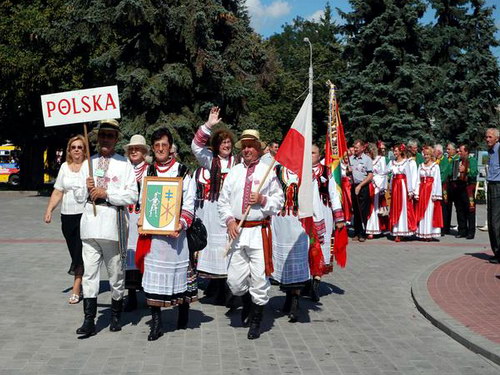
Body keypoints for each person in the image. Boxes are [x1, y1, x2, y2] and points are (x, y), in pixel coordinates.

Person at [218, 129, 284, 340]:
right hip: (237, 232)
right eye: (244, 146)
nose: (247, 149)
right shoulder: (234, 172)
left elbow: (279, 201)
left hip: (258, 230)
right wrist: (229, 220)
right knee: (236, 282)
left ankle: (256, 321)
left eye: (251, 146)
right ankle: (246, 301)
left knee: (259, 278)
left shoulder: (268, 171)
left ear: (257, 148)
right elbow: (223, 201)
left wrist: (263, 200)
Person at [75, 119, 138, 336]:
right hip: (90, 225)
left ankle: (115, 315)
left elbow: (132, 195)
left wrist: (107, 194)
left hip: (113, 224)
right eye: (103, 135)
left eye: (110, 136)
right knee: (89, 274)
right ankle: (89, 320)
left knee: (116, 274)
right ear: (97, 137)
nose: (106, 139)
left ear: (116, 139)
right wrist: (86, 188)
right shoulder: (88, 163)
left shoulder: (124, 164)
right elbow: (77, 196)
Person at [136, 127, 196, 341]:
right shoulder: (148, 172)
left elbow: (189, 203)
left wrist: (180, 223)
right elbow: (143, 201)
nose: (161, 149)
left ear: (171, 147)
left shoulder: (183, 171)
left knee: (178, 277)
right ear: (153, 148)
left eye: (164, 145)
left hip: (176, 237)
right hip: (154, 237)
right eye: (157, 145)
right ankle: (157, 324)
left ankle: (182, 311)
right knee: (153, 280)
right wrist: (142, 221)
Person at [191, 107, 237, 305]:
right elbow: (196, 147)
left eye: (228, 142)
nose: (226, 145)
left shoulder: (238, 162)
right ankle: (217, 287)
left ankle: (229, 290)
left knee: (228, 248)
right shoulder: (211, 161)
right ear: (216, 146)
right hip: (211, 212)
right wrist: (209, 125)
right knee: (213, 248)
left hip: (229, 211)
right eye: (222, 142)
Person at [271, 165, 324, 322]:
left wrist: (319, 227)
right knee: (284, 263)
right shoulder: (277, 171)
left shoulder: (307, 174)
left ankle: (295, 301)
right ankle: (288, 298)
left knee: (298, 262)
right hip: (280, 223)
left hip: (299, 224)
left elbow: (314, 199)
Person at [44, 135, 87, 304]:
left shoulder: (89, 167)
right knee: (73, 250)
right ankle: (82, 277)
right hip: (67, 216)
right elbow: (58, 191)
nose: (77, 150)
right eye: (74, 147)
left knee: (80, 250)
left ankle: (77, 286)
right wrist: (49, 210)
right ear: (69, 150)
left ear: (85, 150)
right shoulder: (64, 167)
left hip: (85, 215)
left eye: (80, 147)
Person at [310, 145, 344, 301]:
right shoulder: (301, 171)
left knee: (321, 246)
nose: (311, 155)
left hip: (324, 211)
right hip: (306, 214)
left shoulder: (326, 171)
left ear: (319, 155)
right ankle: (305, 281)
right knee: (307, 246)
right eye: (308, 152)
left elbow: (333, 194)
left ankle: (316, 281)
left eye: (314, 153)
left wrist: (339, 218)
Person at [123, 135, 150, 312]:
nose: (134, 151)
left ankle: (148, 294)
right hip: (126, 215)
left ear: (143, 152)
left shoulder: (150, 170)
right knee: (128, 254)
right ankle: (131, 295)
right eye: (131, 149)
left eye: (137, 149)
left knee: (144, 253)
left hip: (142, 217)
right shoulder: (124, 169)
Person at [388, 144, 416, 242]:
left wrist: (410, 191)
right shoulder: (392, 163)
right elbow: (391, 176)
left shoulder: (405, 163)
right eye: (394, 151)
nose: (395, 153)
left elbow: (408, 176)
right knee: (395, 207)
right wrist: (390, 188)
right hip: (396, 187)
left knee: (403, 207)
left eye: (396, 151)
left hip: (402, 187)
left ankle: (403, 231)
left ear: (400, 151)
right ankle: (396, 230)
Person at [347, 140, 373, 242]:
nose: (355, 149)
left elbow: (370, 176)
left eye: (357, 147)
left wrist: (360, 186)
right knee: (356, 210)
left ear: (362, 148)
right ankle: (356, 232)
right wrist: (348, 171)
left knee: (363, 210)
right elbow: (348, 173)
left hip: (363, 187)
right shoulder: (351, 159)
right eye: (354, 147)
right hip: (354, 186)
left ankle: (362, 233)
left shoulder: (367, 159)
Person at [414, 146, 443, 240]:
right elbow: (417, 180)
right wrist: (416, 193)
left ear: (431, 155)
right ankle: (422, 233)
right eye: (424, 155)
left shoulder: (435, 166)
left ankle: (429, 233)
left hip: (430, 191)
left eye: (427, 155)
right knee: (422, 211)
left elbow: (437, 180)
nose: (425, 156)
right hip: (422, 190)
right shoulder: (421, 166)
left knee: (429, 211)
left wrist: (435, 194)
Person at [454, 145, 478, 239]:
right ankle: (462, 230)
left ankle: (471, 232)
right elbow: (455, 172)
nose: (459, 153)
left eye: (460, 151)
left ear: (466, 151)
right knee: (460, 209)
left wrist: (466, 170)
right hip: (459, 186)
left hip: (468, 187)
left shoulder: (472, 160)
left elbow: (474, 172)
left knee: (470, 209)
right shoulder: (458, 161)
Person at [366, 143, 387, 238]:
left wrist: (379, 184)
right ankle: (368, 228)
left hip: (376, 186)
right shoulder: (366, 160)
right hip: (367, 185)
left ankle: (374, 229)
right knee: (368, 206)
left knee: (374, 207)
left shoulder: (380, 159)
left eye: (368, 152)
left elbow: (383, 173)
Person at [485, 128, 500, 263]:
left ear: (497, 138)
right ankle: (496, 251)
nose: (487, 139)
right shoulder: (490, 152)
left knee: (496, 221)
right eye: (486, 137)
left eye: (490, 137)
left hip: (498, 186)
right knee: (490, 220)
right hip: (491, 185)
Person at [443, 143, 460, 235]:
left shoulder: (457, 159)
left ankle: (461, 227)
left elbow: (450, 171)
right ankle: (446, 227)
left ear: (454, 150)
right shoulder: (447, 159)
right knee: (447, 205)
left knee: (458, 206)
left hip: (455, 184)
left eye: (449, 149)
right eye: (447, 149)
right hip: (448, 184)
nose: (447, 151)